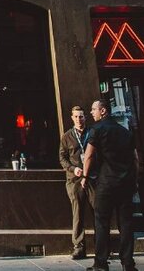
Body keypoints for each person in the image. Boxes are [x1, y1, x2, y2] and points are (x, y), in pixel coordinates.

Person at [81, 100, 138, 271]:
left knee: (101, 222)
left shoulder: (96, 129)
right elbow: (135, 159)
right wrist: (134, 179)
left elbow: (89, 155)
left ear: (103, 111)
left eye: (93, 109)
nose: (91, 112)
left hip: (106, 182)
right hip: (126, 182)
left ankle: (101, 263)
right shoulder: (125, 131)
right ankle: (128, 263)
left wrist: (85, 176)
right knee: (126, 223)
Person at [59, 105, 95, 260]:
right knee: (77, 213)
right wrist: (73, 169)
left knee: (97, 211)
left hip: (93, 178)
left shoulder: (92, 133)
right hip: (75, 179)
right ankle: (79, 246)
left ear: (85, 117)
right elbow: (62, 158)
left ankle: (101, 244)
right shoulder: (67, 136)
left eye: (81, 116)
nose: (79, 119)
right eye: (76, 116)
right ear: (72, 118)